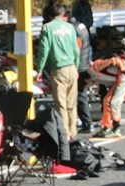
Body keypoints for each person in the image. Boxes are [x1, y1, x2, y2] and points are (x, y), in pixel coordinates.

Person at [36, 4, 81, 139]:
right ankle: (73, 131)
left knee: (61, 103)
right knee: (71, 102)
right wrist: (76, 67)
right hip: (72, 67)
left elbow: (44, 50)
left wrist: (40, 69)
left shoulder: (47, 28)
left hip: (58, 68)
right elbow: (76, 50)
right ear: (62, 14)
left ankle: (65, 133)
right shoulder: (70, 27)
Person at [89, 54, 125, 138]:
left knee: (113, 102)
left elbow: (115, 60)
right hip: (121, 76)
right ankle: (107, 126)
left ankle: (115, 127)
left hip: (124, 74)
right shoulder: (94, 75)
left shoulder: (95, 66)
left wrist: (122, 67)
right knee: (107, 100)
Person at [71, 16, 94, 134]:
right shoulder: (81, 26)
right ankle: (87, 122)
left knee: (80, 96)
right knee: (82, 95)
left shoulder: (73, 28)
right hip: (84, 64)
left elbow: (76, 47)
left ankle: (87, 123)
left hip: (78, 66)